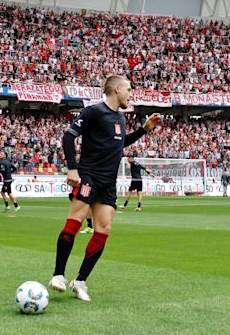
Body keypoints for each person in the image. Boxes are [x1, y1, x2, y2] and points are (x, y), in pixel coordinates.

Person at [48, 74, 161, 302]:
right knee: (75, 220)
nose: (131, 93)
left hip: (109, 182)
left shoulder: (121, 117)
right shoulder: (93, 111)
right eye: (128, 89)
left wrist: (144, 130)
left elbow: (120, 144)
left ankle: (80, 281)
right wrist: (73, 168)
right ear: (117, 89)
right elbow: (69, 137)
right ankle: (58, 274)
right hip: (89, 175)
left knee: (104, 229)